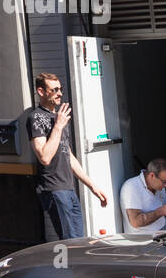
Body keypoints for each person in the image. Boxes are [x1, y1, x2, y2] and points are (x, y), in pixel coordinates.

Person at [27, 72, 107, 242]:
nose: (60, 93)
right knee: (70, 242)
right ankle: (65, 269)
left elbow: (68, 155)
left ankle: (71, 268)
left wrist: (92, 186)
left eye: (60, 89)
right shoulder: (36, 118)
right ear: (41, 92)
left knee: (78, 239)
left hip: (68, 187)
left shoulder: (59, 118)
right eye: (54, 90)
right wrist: (58, 126)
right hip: (54, 188)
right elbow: (44, 157)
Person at [119, 158, 166, 236]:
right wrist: (161, 211)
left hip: (162, 229)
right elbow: (135, 222)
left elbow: (165, 212)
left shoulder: (160, 188)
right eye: (164, 182)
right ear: (152, 175)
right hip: (144, 236)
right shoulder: (132, 186)